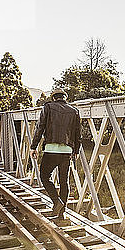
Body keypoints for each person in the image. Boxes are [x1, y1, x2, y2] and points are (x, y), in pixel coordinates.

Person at [30, 88, 81, 219]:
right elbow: (77, 133)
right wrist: (76, 150)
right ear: (64, 98)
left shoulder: (48, 107)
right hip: (67, 151)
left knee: (44, 176)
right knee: (64, 182)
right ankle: (61, 214)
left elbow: (40, 127)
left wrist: (33, 146)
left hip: (51, 149)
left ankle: (56, 201)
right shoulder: (74, 111)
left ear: (53, 98)